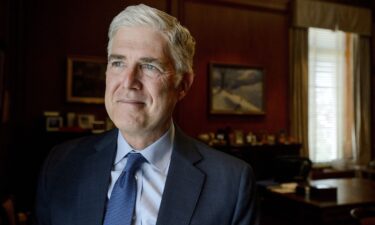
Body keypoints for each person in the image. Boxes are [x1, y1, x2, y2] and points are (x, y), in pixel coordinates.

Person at [35, 4, 258, 225]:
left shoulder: (230, 183)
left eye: (149, 66)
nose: (129, 82)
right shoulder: (61, 164)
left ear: (183, 85)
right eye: (118, 62)